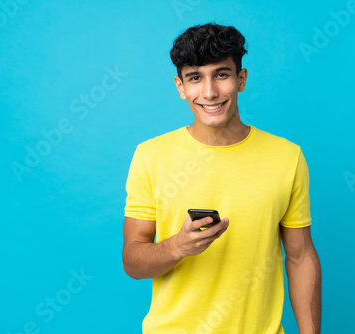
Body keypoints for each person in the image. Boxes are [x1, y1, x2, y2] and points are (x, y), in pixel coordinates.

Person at [122, 22, 321, 334]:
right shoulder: (150, 157)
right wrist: (177, 247)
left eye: (221, 74)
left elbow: (300, 256)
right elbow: (132, 260)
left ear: (241, 79)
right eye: (195, 78)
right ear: (181, 87)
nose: (210, 92)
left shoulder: (287, 157)